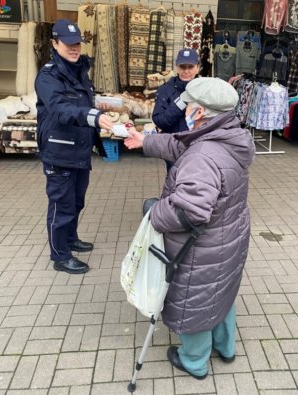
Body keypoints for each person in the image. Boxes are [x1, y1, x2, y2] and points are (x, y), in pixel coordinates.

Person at [125, 77, 255, 379]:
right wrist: (146, 141)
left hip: (202, 246)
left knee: (194, 300)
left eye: (187, 105)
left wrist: (155, 214)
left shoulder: (203, 156)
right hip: (228, 237)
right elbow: (181, 144)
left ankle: (194, 361)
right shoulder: (228, 136)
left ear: (199, 113)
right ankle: (225, 347)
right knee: (220, 292)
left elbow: (189, 210)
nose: (182, 109)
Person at [35, 19, 113, 274]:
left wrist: (100, 105)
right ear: (54, 43)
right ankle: (60, 255)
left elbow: (80, 101)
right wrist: (94, 116)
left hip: (79, 149)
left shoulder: (79, 70)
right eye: (68, 44)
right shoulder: (48, 76)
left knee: (76, 201)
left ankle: (70, 239)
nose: (74, 48)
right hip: (59, 151)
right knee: (62, 204)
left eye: (77, 43)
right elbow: (61, 109)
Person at [152, 48, 200, 172]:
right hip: (174, 147)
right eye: (183, 67)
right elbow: (159, 120)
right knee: (174, 183)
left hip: (199, 147)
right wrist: (180, 103)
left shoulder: (205, 90)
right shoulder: (165, 90)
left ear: (197, 68)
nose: (186, 71)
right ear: (177, 68)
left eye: (190, 67)